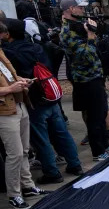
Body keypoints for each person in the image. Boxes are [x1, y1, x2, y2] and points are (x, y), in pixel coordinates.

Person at [2, 18, 83, 184]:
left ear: (7, 34)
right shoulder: (37, 47)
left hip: (34, 99)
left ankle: (52, 173)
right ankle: (75, 165)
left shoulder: (8, 52)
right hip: (50, 95)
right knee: (61, 132)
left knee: (41, 138)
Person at [59, 0, 109, 162]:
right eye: (79, 7)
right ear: (71, 9)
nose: (82, 10)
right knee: (94, 116)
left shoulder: (78, 26)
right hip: (85, 79)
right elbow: (84, 55)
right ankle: (98, 151)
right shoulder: (67, 32)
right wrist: (91, 36)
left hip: (94, 75)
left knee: (101, 113)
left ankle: (105, 144)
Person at [0, 22, 49, 209]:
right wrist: (10, 89)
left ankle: (27, 186)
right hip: (5, 110)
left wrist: (19, 80)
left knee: (24, 150)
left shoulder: (2, 53)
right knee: (14, 153)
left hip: (19, 103)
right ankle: (14, 194)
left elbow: (9, 74)